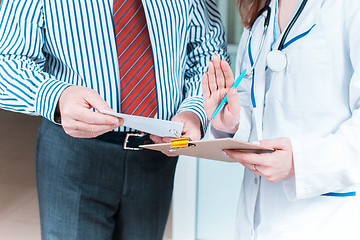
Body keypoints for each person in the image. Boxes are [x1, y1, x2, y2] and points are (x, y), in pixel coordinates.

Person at [0, 0, 228, 239]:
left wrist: (194, 112)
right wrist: (58, 96)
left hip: (157, 153)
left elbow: (207, 53)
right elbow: (8, 61)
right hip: (73, 152)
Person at [202, 0, 360, 239]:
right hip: (254, 221)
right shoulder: (262, 12)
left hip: (324, 221)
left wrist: (300, 161)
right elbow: (255, 102)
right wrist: (231, 122)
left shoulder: (349, 8)